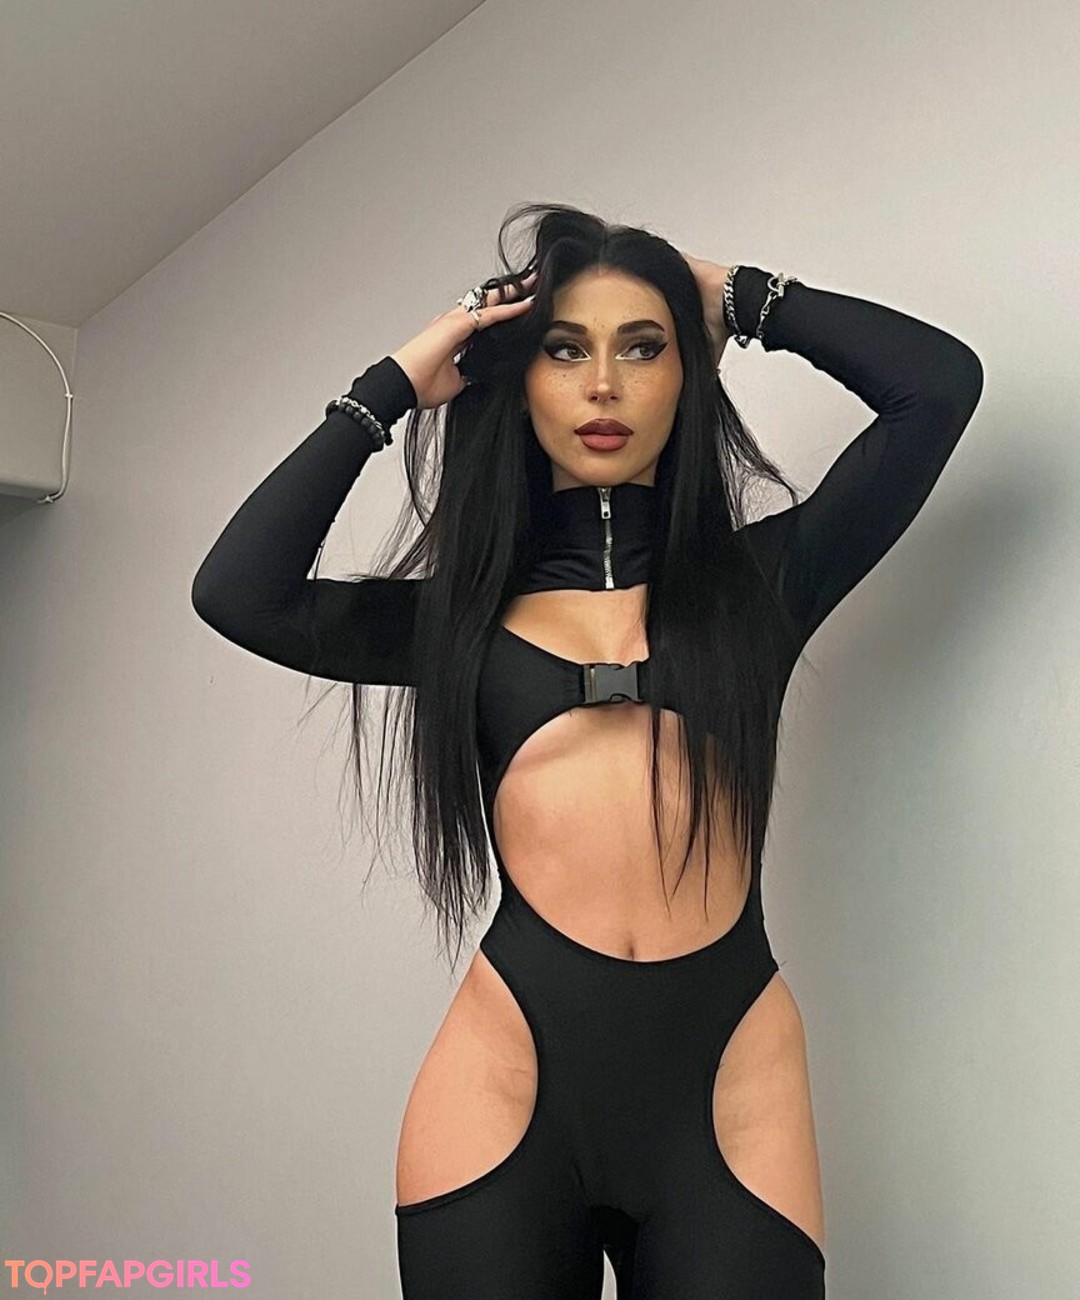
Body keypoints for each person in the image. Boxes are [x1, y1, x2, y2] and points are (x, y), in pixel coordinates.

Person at [191, 202, 984, 1298]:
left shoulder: (764, 587)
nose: (603, 385)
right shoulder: (456, 623)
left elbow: (938, 386)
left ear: (687, 376)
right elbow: (237, 592)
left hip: (732, 1093)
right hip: (507, 1086)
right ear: (518, 379)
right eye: (565, 350)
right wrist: (397, 383)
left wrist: (735, 295)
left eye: (642, 348)